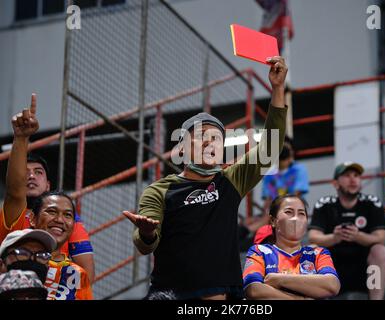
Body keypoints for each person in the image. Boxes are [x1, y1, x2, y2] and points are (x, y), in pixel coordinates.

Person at [123, 56, 288, 300]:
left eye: (217, 138)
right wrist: (147, 233)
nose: (211, 141)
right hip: (172, 294)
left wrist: (277, 88)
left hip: (223, 293)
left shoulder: (231, 179)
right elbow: (145, 245)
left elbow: (271, 148)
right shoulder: (159, 190)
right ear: (182, 148)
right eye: (202, 135)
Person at [0, 93, 95, 283]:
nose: (31, 176)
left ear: (49, 185)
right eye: (25, 172)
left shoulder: (69, 220)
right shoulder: (13, 215)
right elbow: (15, 192)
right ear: (32, 220)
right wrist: (21, 138)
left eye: (38, 172)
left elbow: (86, 278)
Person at [308, 162, 385, 300]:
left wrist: (358, 236)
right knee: (312, 249)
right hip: (332, 268)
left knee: (380, 250)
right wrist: (335, 237)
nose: (353, 179)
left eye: (356, 175)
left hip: (365, 269)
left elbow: (381, 236)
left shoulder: (372, 202)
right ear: (335, 183)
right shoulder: (324, 204)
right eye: (346, 175)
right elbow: (313, 236)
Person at [243, 194, 340, 299]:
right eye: (289, 212)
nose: (295, 219)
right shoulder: (259, 251)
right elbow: (253, 289)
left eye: (301, 214)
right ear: (273, 221)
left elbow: (332, 286)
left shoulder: (318, 253)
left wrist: (278, 280)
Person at [246, 136, 309, 235]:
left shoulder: (299, 169)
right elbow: (268, 199)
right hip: (274, 208)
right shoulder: (269, 173)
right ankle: (248, 231)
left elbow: (296, 195)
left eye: (286, 148)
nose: (283, 150)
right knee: (250, 220)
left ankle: (247, 232)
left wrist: (271, 212)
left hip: (292, 207)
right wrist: (265, 213)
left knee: (268, 217)